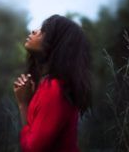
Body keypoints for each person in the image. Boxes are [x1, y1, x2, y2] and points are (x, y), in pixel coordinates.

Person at [13, 14, 92, 152]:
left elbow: (33, 148)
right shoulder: (49, 86)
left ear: (57, 44)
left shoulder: (55, 90)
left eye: (43, 32)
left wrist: (23, 104)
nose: (33, 31)